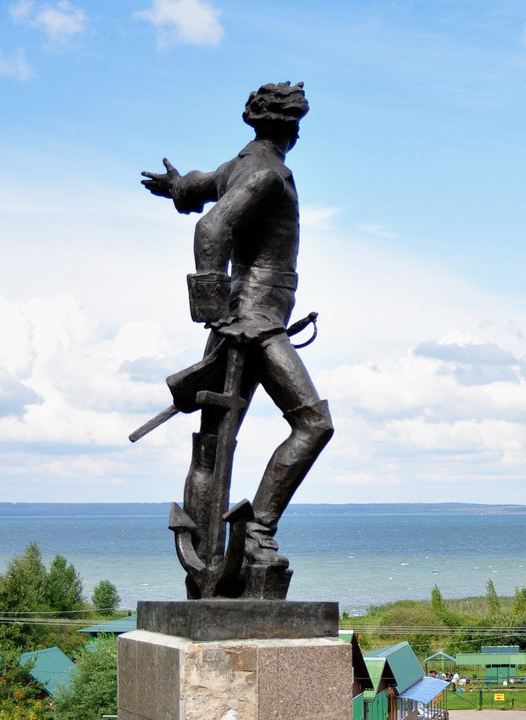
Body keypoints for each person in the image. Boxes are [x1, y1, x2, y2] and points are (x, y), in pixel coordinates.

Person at [141, 81, 333, 581]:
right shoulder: (268, 174)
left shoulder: (239, 166)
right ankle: (257, 534)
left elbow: (201, 186)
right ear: (291, 128)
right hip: (256, 323)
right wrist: (215, 310)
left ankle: (204, 565)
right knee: (314, 423)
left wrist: (178, 187)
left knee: (213, 441)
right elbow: (211, 227)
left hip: (243, 322)